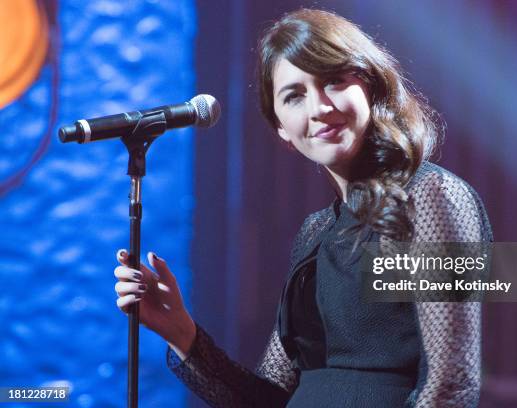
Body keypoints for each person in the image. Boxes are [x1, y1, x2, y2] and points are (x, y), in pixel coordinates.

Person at [114, 8, 492, 407]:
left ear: (371, 87)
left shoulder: (433, 197)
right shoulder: (316, 233)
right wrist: (182, 332)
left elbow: (451, 385)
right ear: (281, 128)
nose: (318, 108)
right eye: (294, 96)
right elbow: (269, 398)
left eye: (333, 82)